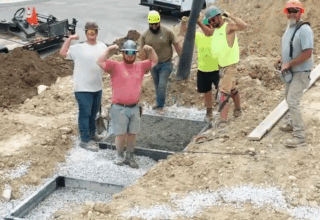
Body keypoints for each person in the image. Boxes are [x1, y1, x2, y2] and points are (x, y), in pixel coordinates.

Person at [97, 40, 158, 168]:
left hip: (134, 107)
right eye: (127, 52)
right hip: (119, 107)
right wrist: (108, 50)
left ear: (135, 54)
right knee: (120, 134)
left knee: (132, 134)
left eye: (132, 53)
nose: (130, 55)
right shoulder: (115, 66)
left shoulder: (141, 66)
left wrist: (151, 50)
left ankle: (129, 156)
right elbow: (100, 61)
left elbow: (154, 61)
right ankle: (119, 155)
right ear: (123, 53)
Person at [60, 21, 107, 151]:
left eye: (94, 31)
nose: (92, 34)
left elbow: (107, 61)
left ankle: (92, 134)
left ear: (97, 33)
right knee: (85, 113)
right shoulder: (78, 48)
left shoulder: (102, 46)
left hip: (97, 87)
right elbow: (63, 53)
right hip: (82, 88)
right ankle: (84, 140)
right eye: (90, 31)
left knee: (93, 113)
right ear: (86, 33)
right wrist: (69, 39)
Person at [198, 6, 247, 128]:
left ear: (219, 17)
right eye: (209, 21)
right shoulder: (216, 30)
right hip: (222, 67)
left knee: (223, 92)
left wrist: (230, 16)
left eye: (213, 20)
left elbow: (244, 26)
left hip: (230, 66)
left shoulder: (228, 27)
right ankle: (238, 111)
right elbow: (208, 32)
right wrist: (199, 22)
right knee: (232, 89)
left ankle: (223, 121)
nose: (211, 23)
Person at [277, 0, 313, 148]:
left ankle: (299, 136)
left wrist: (289, 63)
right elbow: (290, 47)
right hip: (291, 70)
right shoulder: (290, 27)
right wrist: (282, 60)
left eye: (295, 11)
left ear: (301, 12)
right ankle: (292, 123)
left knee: (293, 101)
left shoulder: (304, 30)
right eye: (289, 11)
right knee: (288, 98)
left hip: (300, 71)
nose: (292, 13)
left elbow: (308, 53)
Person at [139, 10, 182, 113]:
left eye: (156, 24)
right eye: (152, 24)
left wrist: (182, 59)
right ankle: (159, 103)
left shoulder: (167, 32)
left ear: (159, 22)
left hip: (166, 63)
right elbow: (142, 53)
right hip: (153, 64)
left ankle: (160, 106)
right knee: (157, 84)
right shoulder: (145, 35)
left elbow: (176, 45)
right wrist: (143, 65)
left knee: (162, 84)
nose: (154, 26)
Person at [180, 16, 220, 121]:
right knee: (207, 93)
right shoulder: (199, 36)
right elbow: (184, 34)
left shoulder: (216, 35)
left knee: (222, 91)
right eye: (207, 25)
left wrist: (199, 22)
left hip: (216, 69)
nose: (208, 27)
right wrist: (183, 23)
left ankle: (224, 111)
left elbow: (209, 32)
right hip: (203, 70)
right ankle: (209, 112)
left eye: (209, 25)